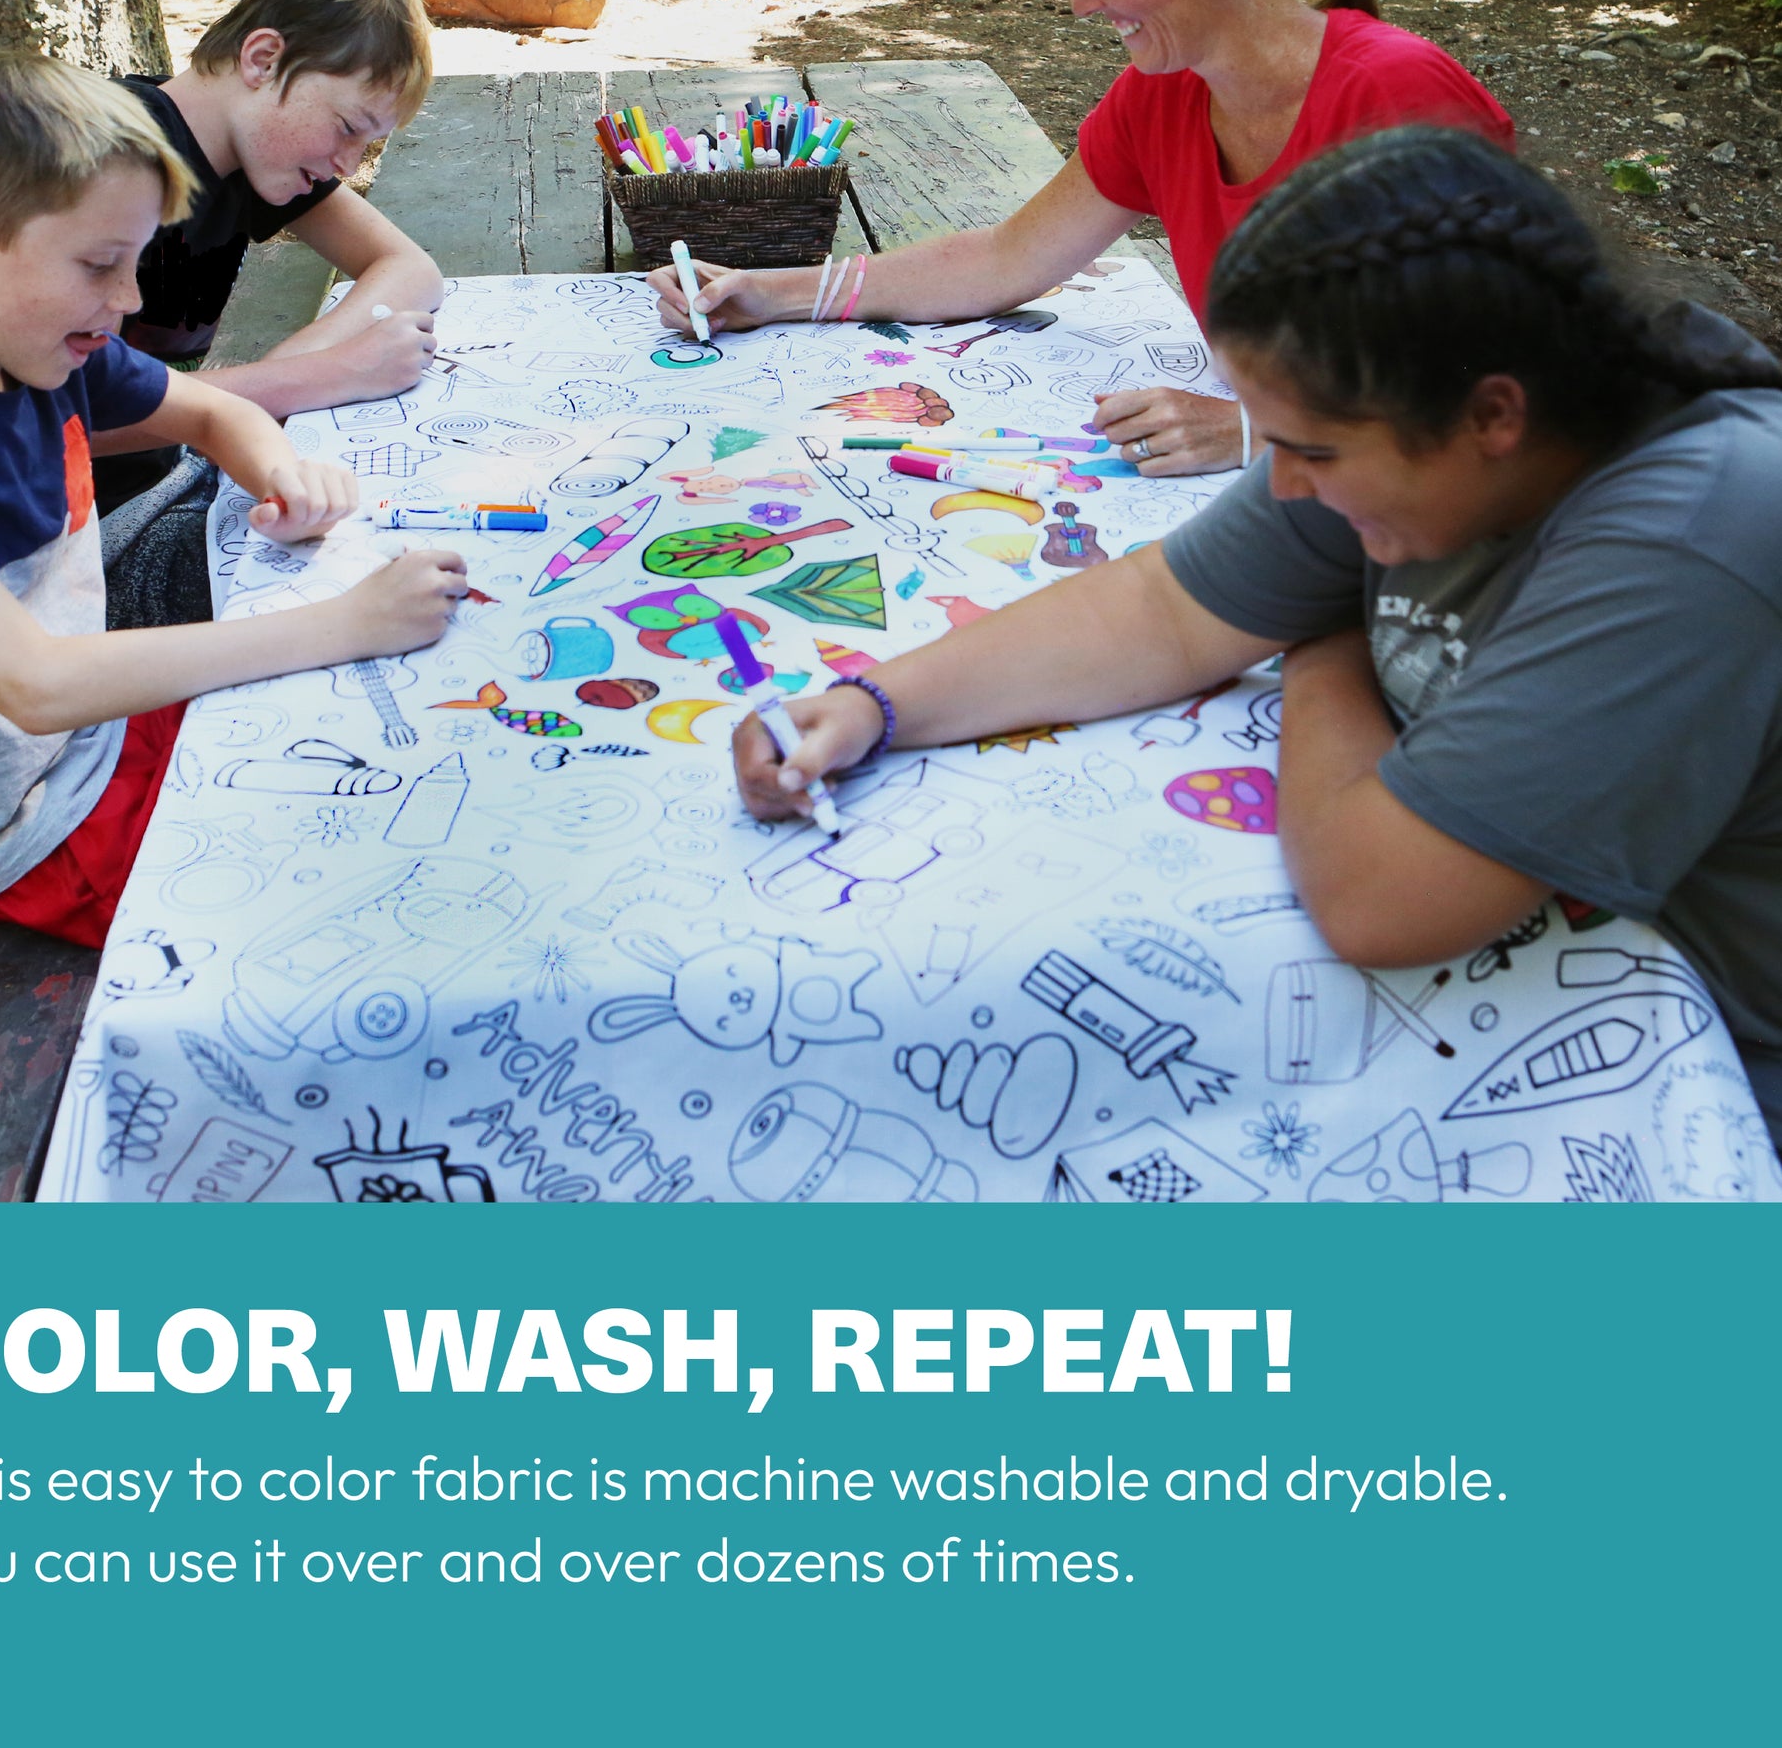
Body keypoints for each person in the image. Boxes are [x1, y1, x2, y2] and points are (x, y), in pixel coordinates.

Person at [733, 127, 1782, 1143]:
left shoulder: (1692, 530)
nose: (1278, 484)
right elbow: (1157, 609)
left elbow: (1381, 901)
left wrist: (1325, 638)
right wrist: (875, 704)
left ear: (1492, 416)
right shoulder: (1426, 420)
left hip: (1715, 1083)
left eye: (1307, 450)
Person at [647, 0, 1512, 478]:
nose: (1080, 3)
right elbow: (1003, 260)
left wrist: (1262, 433)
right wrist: (770, 294)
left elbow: (1503, 384)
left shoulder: (1400, 98)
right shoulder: (1163, 96)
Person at [0, 51, 465, 949]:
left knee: (393, 751)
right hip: (22, 830)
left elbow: (209, 410)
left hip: (101, 732)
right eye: (100, 264)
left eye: (132, 262)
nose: (127, 300)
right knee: (356, 904)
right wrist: (350, 622)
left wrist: (280, 473)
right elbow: (34, 684)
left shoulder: (34, 344)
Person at [97, 0, 443, 625]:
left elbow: (411, 270)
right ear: (262, 60)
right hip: (76, 535)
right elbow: (62, 421)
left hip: (170, 476)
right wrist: (316, 379)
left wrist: (289, 374)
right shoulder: (111, 162)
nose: (346, 164)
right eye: (347, 128)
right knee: (368, 573)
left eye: (367, 147)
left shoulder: (247, 152)